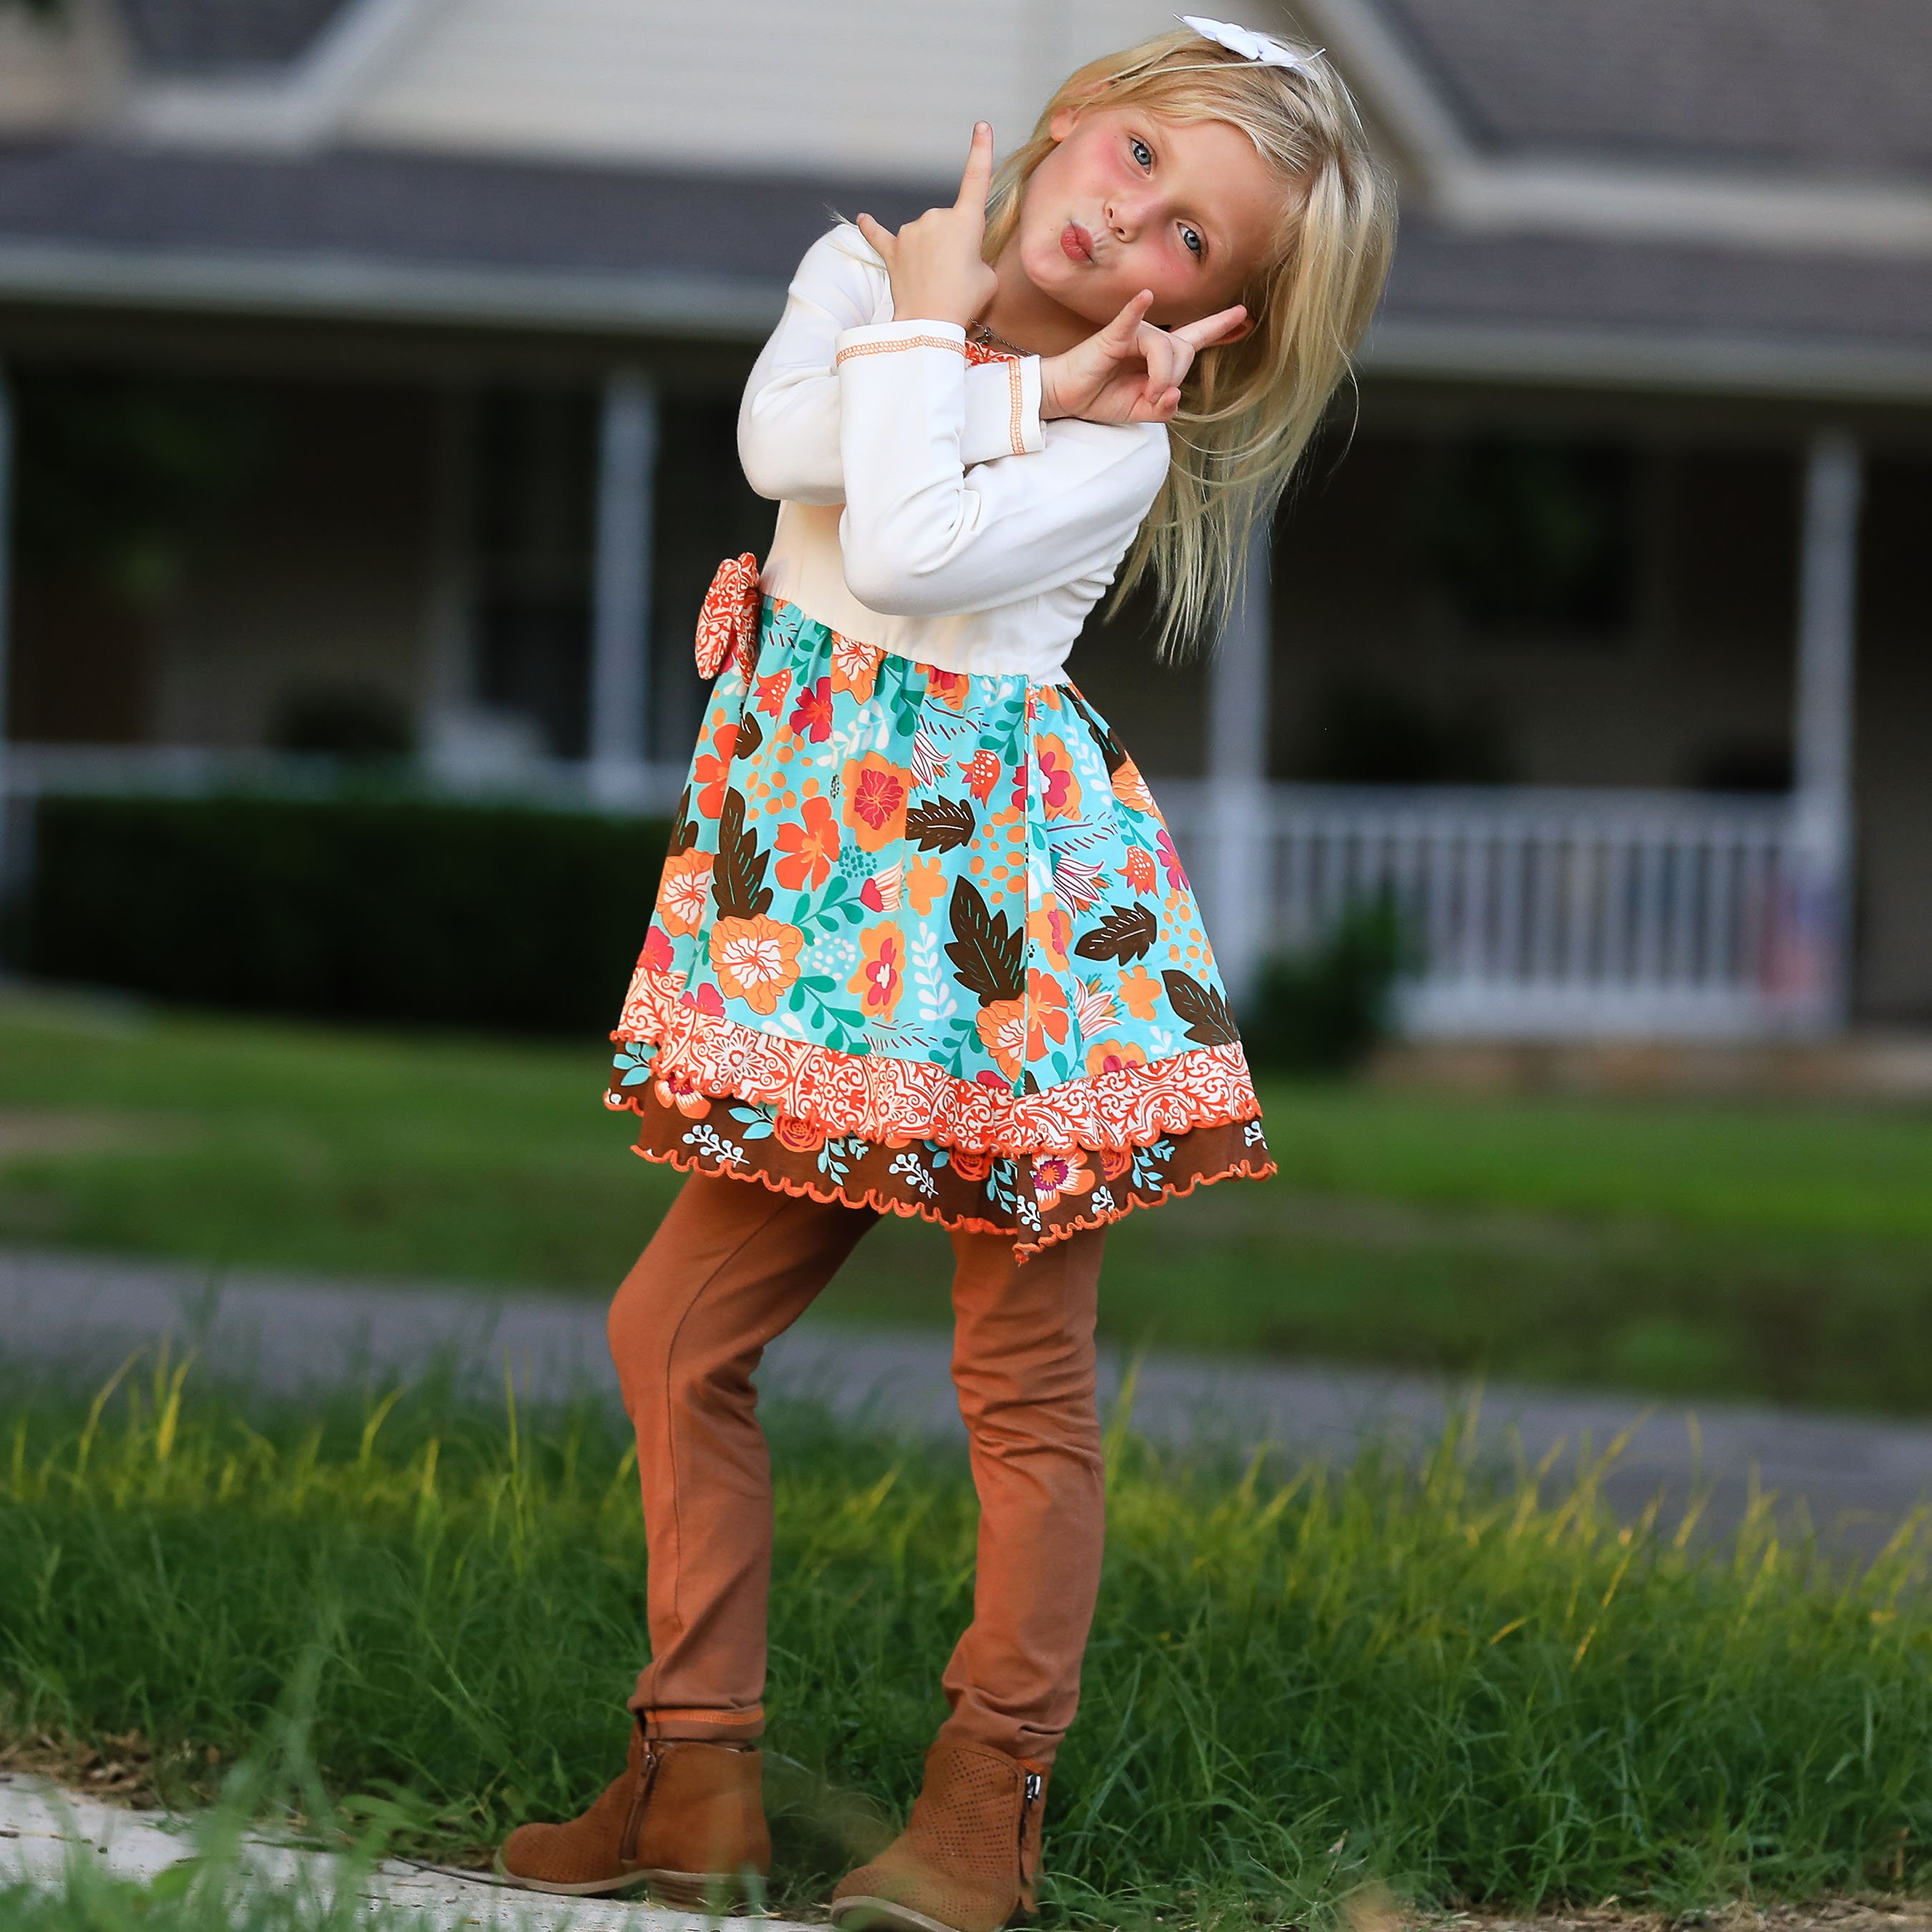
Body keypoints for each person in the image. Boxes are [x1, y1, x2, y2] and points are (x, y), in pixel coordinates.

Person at [497, 19, 1393, 1928]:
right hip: (820, 921)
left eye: (1194, 248)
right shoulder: (862, 270)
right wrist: (976, 346)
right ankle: (695, 1776)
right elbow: (777, 446)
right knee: (674, 1331)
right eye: (1139, 159)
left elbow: (898, 550)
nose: (1133, 223)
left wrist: (1007, 370)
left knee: (1019, 1374)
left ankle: (985, 1805)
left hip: (1006, 936)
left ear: (1214, 320)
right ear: (1072, 121)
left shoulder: (1114, 438)